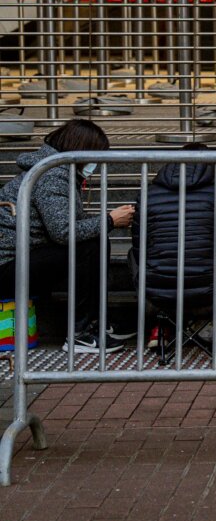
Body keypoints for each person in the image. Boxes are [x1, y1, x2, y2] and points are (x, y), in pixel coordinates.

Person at [0, 119, 136, 354]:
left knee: (95, 239)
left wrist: (107, 220)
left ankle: (96, 323)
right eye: (96, 155)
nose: (97, 163)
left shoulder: (56, 170)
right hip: (6, 269)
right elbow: (63, 232)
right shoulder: (52, 175)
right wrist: (110, 220)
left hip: (20, 260)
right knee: (89, 245)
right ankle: (80, 334)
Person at [127, 143, 216, 352]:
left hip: (158, 299)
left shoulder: (147, 196)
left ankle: (161, 326)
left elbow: (139, 251)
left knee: (133, 255)